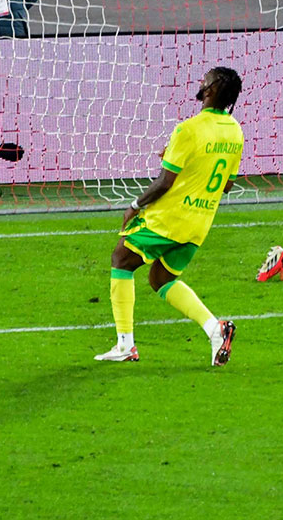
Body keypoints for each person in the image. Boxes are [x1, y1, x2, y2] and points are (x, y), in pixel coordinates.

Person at [97, 67, 245, 366]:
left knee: (121, 259)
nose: (202, 81)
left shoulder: (189, 129)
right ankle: (215, 329)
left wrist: (134, 205)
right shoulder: (235, 131)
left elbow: (165, 182)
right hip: (199, 223)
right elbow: (227, 185)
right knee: (161, 278)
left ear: (211, 90)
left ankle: (125, 345)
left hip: (169, 219)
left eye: (206, 79)